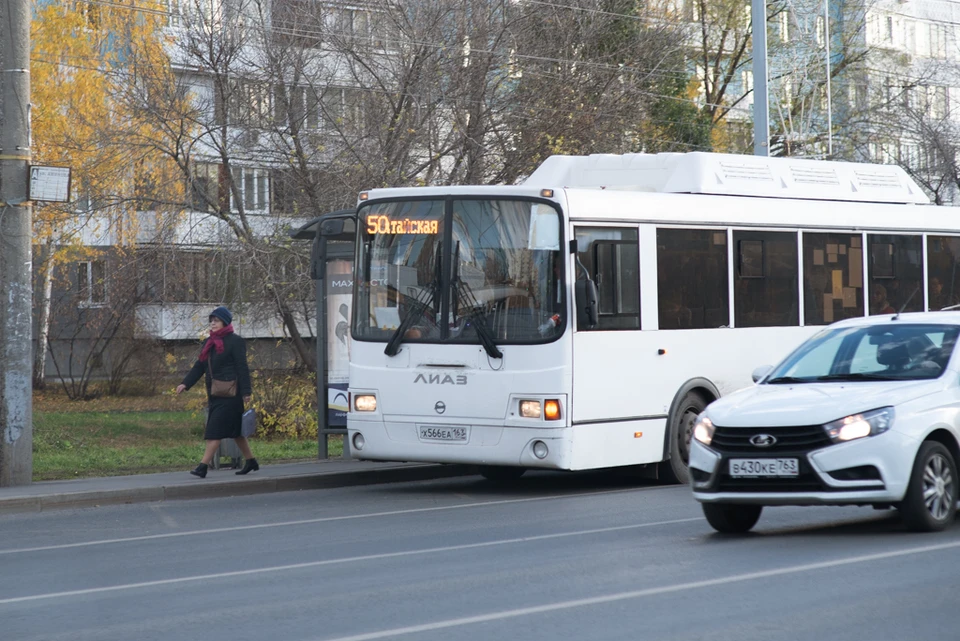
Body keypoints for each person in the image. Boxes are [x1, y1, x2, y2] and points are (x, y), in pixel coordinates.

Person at [176, 306, 257, 478]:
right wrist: (185, 383)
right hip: (215, 393)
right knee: (236, 432)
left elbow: (242, 368)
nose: (212, 323)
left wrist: (246, 391)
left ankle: (202, 467)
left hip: (231, 394)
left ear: (225, 322)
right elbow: (200, 366)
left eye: (216, 320)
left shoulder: (236, 341)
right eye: (211, 320)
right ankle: (251, 461)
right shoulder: (209, 343)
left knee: (214, 431)